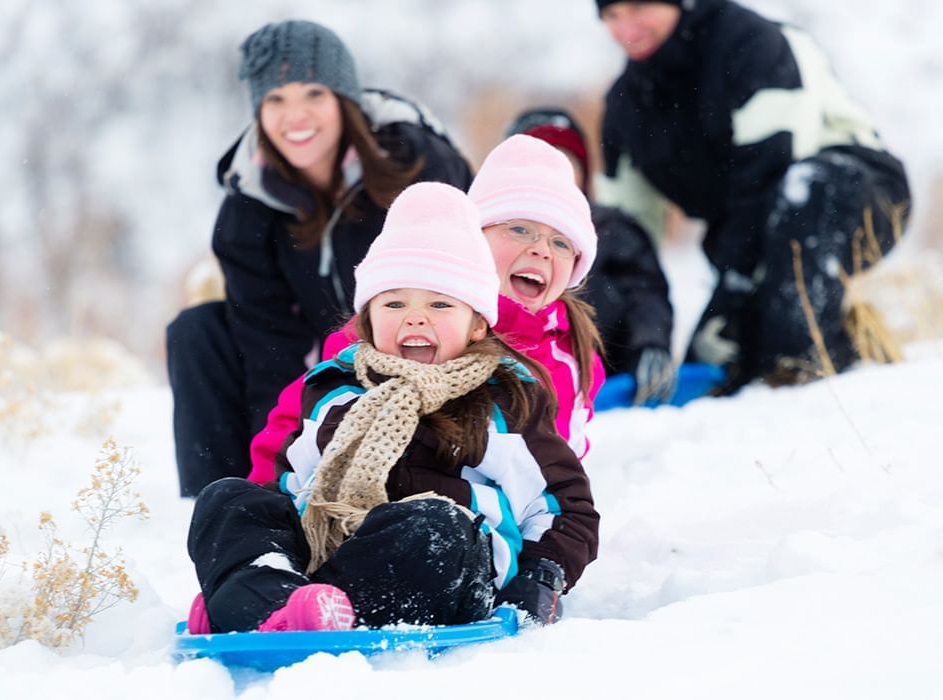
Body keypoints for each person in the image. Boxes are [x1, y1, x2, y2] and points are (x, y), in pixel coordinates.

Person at [186, 182, 599, 633]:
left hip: (446, 569)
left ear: (478, 324)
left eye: (440, 304)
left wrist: (541, 577)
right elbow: (292, 482)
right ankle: (269, 598)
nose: (415, 317)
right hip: (327, 550)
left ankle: (279, 607)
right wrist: (261, 536)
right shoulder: (334, 388)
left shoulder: (505, 398)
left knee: (434, 525)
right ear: (368, 318)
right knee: (228, 498)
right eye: (395, 302)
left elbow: (564, 508)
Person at [166, 20, 474, 497]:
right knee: (198, 331)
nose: (296, 116)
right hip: (319, 357)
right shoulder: (249, 203)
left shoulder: (418, 163)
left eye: (313, 93)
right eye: (275, 99)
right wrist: (276, 462)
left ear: (343, 98)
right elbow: (265, 339)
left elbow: (467, 282)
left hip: (420, 346)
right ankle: (223, 499)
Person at [247, 134, 606, 482]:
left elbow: (563, 466)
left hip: (484, 518)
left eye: (560, 242)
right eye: (519, 229)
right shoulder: (404, 319)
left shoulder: (574, 354)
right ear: (475, 239)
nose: (542, 250)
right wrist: (266, 494)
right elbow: (300, 416)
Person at [594, 0, 911, 392]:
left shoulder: (745, 40)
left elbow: (772, 165)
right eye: (611, 15)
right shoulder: (626, 106)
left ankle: (816, 374)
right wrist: (638, 340)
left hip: (851, 191)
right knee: (712, 364)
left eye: (640, 7)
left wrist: (734, 285)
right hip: (746, 236)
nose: (627, 28)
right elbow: (625, 237)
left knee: (785, 341)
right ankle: (822, 344)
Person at [506, 107, 675, 404]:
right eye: (542, 165)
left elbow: (645, 292)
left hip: (604, 376)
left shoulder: (611, 228)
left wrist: (650, 343)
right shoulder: (492, 232)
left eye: (566, 164)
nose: (555, 177)